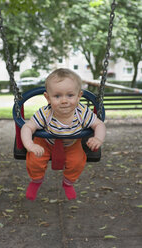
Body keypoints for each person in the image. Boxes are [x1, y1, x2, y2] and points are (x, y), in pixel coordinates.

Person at [21, 68, 106, 201]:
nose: (64, 101)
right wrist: (30, 145)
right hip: (45, 143)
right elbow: (28, 127)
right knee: (34, 160)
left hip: (72, 144)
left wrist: (98, 138)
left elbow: (99, 124)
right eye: (57, 96)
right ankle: (36, 181)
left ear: (79, 96)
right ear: (48, 98)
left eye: (70, 95)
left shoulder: (82, 112)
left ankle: (68, 183)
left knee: (77, 162)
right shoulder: (45, 113)